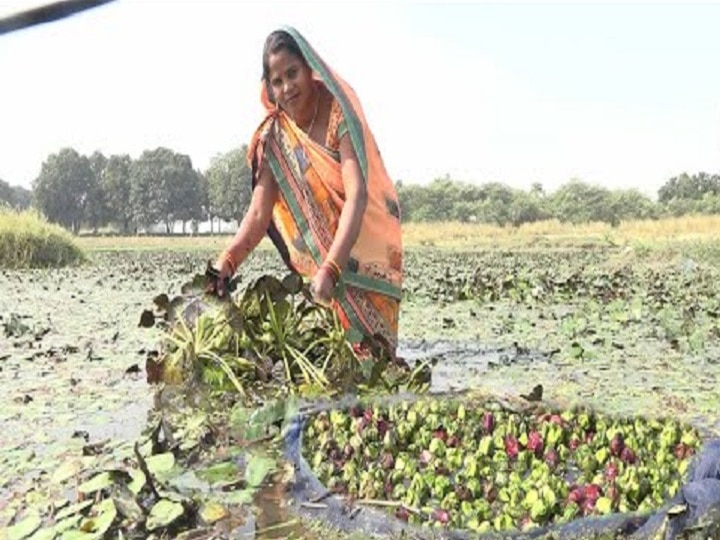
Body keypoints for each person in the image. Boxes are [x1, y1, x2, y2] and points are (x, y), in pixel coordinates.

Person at [213, 26, 403, 360]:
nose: (287, 87)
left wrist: (332, 268)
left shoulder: (337, 111)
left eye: (292, 73)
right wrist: (226, 262)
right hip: (322, 264)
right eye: (277, 81)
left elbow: (356, 195)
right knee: (334, 362)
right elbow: (258, 214)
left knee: (376, 361)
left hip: (365, 245)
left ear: (308, 69)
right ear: (268, 89)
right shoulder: (274, 138)